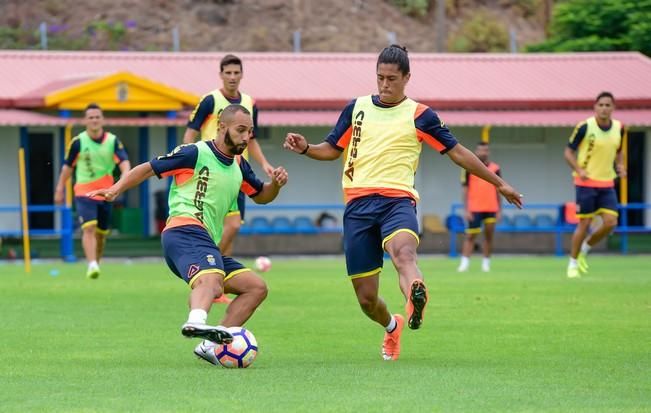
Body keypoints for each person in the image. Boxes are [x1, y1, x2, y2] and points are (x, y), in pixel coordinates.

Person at [283, 45, 523, 361]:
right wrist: (305, 148)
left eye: (392, 79)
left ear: (407, 78)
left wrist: (499, 183)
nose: (385, 84)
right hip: (357, 207)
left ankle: (415, 293)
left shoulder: (420, 115)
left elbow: (458, 152)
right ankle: (392, 325)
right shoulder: (356, 108)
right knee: (367, 300)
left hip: (398, 201)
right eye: (380, 78)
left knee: (404, 254)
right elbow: (330, 149)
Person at [89, 104, 288, 362]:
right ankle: (195, 321)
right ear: (221, 127)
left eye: (249, 132)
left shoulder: (240, 165)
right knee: (213, 278)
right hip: (183, 230)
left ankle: (208, 346)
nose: (246, 137)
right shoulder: (195, 152)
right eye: (240, 130)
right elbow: (149, 168)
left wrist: (276, 185)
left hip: (205, 243)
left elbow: (261, 196)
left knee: (255, 287)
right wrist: (116, 189)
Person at [183, 54, 274, 259]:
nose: (232, 77)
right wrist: (190, 162)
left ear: (242, 75)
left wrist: (264, 163)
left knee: (231, 229)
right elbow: (191, 132)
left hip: (237, 172)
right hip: (212, 170)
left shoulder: (250, 103)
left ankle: (220, 278)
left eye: (236, 72)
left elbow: (252, 139)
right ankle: (208, 263)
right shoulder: (210, 100)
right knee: (224, 226)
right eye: (228, 73)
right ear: (221, 75)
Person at [54, 103, 130, 279]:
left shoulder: (113, 141)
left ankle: (96, 260)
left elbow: (124, 162)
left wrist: (125, 179)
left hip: (106, 192)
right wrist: (59, 188)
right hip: (84, 191)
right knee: (89, 228)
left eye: (97, 117)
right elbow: (67, 168)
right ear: (85, 120)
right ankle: (92, 264)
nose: (94, 120)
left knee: (101, 234)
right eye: (91, 117)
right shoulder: (78, 142)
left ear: (102, 119)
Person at [564, 91, 626, 278]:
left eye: (608, 105)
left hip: (607, 182)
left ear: (613, 108)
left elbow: (619, 151)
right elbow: (568, 152)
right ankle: (572, 263)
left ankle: (586, 247)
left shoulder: (620, 128)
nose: (604, 108)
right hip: (586, 183)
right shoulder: (585, 127)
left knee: (611, 222)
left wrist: (621, 166)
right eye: (601, 105)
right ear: (595, 107)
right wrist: (579, 169)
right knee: (585, 223)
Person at [457, 142, 502, 273]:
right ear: (476, 151)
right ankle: (464, 264)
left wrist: (499, 209)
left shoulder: (495, 168)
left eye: (485, 150)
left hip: (491, 207)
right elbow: (464, 189)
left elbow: (499, 189)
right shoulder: (468, 167)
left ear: (488, 152)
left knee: (489, 237)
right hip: (474, 208)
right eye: (480, 150)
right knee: (470, 237)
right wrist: (466, 209)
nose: (483, 152)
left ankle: (486, 264)